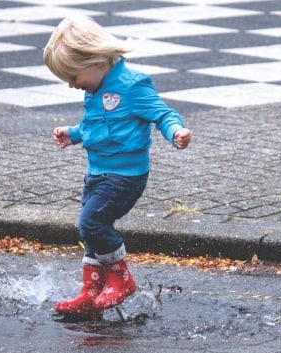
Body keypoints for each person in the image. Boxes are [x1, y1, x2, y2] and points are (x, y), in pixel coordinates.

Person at [43, 15, 192, 319]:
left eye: (72, 76)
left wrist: (176, 131)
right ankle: (91, 291)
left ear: (95, 61)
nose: (71, 85)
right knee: (92, 231)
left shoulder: (132, 85)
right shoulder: (94, 90)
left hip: (125, 177)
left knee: (91, 223)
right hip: (96, 174)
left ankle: (121, 280)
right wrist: (72, 134)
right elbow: (94, 126)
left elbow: (163, 114)